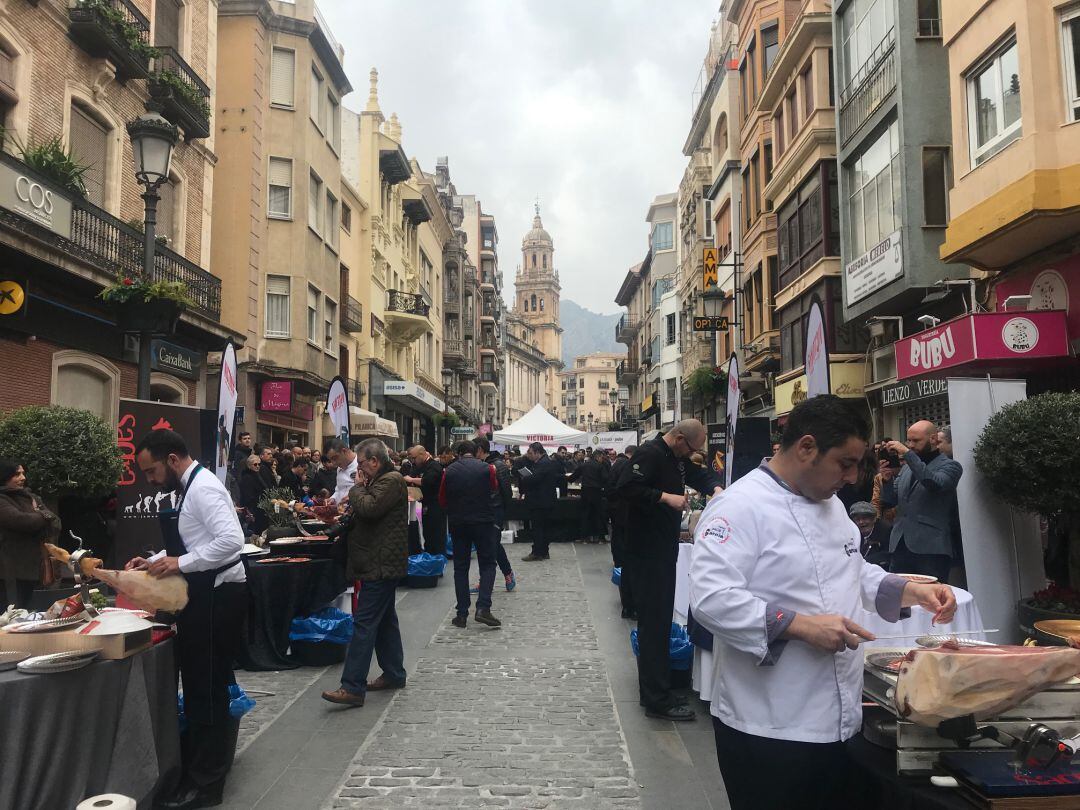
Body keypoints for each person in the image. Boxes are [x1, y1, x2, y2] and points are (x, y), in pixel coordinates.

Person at [689, 396, 956, 810]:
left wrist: (909, 590)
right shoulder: (740, 507)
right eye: (844, 463)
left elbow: (853, 569)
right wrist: (801, 625)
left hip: (841, 720)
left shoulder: (831, 505)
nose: (851, 478)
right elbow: (711, 598)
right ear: (806, 447)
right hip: (769, 724)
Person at [128, 430, 247, 809]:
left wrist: (180, 562)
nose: (150, 479)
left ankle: (207, 785)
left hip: (217, 597)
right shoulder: (190, 486)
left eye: (152, 471)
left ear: (174, 459)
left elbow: (231, 540)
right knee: (201, 685)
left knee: (205, 688)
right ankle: (205, 769)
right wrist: (158, 560)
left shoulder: (203, 488)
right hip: (205, 596)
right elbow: (194, 543)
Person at [616, 420, 722, 721]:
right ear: (677, 439)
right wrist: (665, 497)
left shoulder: (675, 458)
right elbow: (626, 486)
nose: (693, 454)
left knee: (660, 624)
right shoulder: (650, 454)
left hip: (662, 549)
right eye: (691, 448)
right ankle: (656, 700)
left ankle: (657, 689)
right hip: (647, 552)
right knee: (654, 625)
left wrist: (716, 487)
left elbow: (698, 473)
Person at [323, 439, 409, 707]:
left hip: (380, 564)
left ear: (374, 461)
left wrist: (358, 489)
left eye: (361, 464)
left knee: (364, 625)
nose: (359, 470)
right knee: (384, 621)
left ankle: (352, 687)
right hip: (378, 561)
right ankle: (394, 673)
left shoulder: (391, 480)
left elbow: (370, 508)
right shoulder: (381, 481)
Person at [880, 420, 964, 583]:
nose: (910, 445)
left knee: (931, 600)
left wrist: (907, 455)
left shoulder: (951, 466)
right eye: (908, 440)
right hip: (900, 544)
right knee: (900, 600)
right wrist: (887, 481)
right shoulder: (906, 468)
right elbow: (892, 500)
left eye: (916, 441)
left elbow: (933, 484)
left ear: (933, 439)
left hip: (931, 548)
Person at [439, 440, 501, 628]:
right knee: (488, 564)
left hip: (459, 524)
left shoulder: (448, 471)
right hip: (483, 522)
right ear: (476, 453)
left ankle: (462, 613)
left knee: (460, 568)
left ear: (458, 453)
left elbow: (442, 499)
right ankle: (483, 607)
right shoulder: (487, 468)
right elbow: (494, 488)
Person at [0, 460, 60, 607]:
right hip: (10, 571)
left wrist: (41, 518)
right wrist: (43, 516)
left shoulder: (32, 497)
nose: (23, 478)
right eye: (17, 474)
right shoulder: (2, 499)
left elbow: (56, 523)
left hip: (36, 569)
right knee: (11, 614)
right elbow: (21, 521)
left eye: (23, 473)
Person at [473, 436, 516, 592]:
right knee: (486, 545)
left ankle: (506, 573)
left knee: (493, 545)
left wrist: (503, 511)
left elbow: (507, 492)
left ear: (479, 450)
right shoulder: (480, 465)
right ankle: (488, 578)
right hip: (482, 510)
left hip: (495, 510)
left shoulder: (498, 466)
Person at [518, 443, 563, 562]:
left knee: (538, 528)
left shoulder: (544, 463)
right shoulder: (543, 462)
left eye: (531, 453)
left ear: (538, 452)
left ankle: (537, 552)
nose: (530, 456)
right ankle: (543, 551)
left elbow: (534, 479)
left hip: (540, 502)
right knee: (544, 528)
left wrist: (524, 478)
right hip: (544, 501)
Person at [608, 446, 637, 618]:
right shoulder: (626, 466)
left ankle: (617, 559)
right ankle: (630, 607)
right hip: (623, 510)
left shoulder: (617, 464)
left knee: (617, 538)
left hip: (616, 509)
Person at [404, 445, 446, 556]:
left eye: (414, 458)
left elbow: (428, 481)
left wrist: (412, 479)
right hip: (421, 505)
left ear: (422, 454)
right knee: (427, 534)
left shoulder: (434, 466)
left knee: (435, 535)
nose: (413, 461)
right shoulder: (418, 466)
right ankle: (428, 558)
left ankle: (437, 561)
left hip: (435, 505)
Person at [570, 448, 609, 543]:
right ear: (598, 456)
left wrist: (566, 478)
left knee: (585, 514)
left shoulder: (584, 465)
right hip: (596, 492)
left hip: (585, 492)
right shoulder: (600, 466)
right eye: (601, 457)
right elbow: (606, 478)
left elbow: (574, 476)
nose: (602, 459)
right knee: (598, 514)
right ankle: (601, 537)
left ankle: (584, 537)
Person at [849, 501, 891, 569]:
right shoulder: (851, 533)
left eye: (865, 518)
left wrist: (862, 561)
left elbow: (887, 555)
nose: (861, 522)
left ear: (874, 519)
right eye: (857, 519)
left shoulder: (886, 531)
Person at [238, 454, 269, 534]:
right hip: (254, 509)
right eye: (255, 464)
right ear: (249, 465)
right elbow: (248, 496)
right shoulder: (247, 477)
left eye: (259, 464)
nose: (258, 466)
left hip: (261, 508)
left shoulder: (258, 475)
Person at [325, 438, 358, 506]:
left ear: (344, 451)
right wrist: (333, 498)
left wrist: (353, 497)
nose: (333, 463)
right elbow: (339, 489)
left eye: (335, 458)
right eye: (331, 460)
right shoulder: (339, 468)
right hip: (340, 512)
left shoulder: (361, 464)